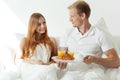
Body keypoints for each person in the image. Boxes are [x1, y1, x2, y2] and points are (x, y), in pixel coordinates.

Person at [57, 0, 120, 80]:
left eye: (72, 16)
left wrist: (95, 59)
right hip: (73, 72)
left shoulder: (99, 34)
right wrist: (61, 61)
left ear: (82, 16)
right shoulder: (67, 33)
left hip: (93, 72)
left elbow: (116, 61)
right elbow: (61, 56)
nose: (70, 20)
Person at [17, 13, 58, 80]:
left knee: (51, 71)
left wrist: (45, 64)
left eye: (44, 23)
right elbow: (19, 60)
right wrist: (34, 62)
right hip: (30, 68)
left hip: (46, 67)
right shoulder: (25, 40)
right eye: (39, 24)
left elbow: (55, 60)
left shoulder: (51, 41)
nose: (43, 26)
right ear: (33, 26)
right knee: (49, 72)